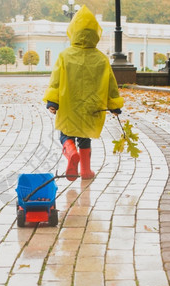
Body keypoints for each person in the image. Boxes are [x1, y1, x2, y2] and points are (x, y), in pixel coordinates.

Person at [43, 5, 124, 181]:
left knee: (65, 134)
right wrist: (114, 106)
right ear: (95, 33)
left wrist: (52, 102)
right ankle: (85, 171)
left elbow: (56, 80)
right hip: (91, 107)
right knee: (85, 137)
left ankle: (71, 153)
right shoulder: (101, 58)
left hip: (68, 105)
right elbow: (111, 84)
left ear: (73, 31)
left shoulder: (65, 56)